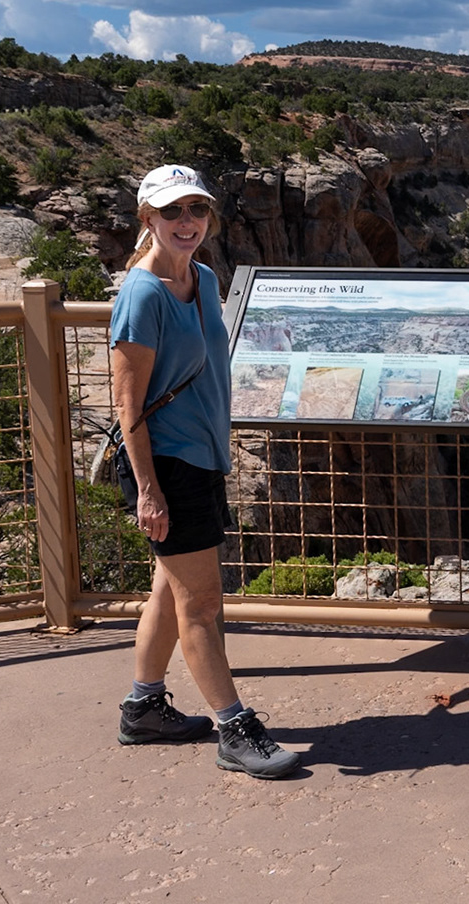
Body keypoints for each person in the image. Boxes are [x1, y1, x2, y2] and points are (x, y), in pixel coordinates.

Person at [110, 164, 299, 779]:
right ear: (148, 219)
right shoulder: (142, 295)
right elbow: (127, 405)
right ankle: (235, 730)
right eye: (172, 212)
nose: (187, 222)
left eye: (196, 209)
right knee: (202, 602)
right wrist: (148, 490)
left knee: (171, 588)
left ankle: (143, 709)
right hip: (167, 465)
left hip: (201, 456)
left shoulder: (204, 276)